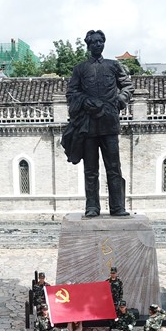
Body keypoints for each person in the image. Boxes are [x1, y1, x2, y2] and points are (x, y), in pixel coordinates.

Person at [63, 30, 134, 217]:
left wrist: (120, 100)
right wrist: (85, 101)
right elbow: (71, 92)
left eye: (100, 41)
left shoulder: (113, 66)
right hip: (88, 125)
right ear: (88, 45)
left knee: (114, 167)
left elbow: (127, 86)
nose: (97, 45)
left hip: (109, 123)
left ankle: (117, 206)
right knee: (90, 169)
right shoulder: (80, 69)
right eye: (94, 42)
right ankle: (92, 206)